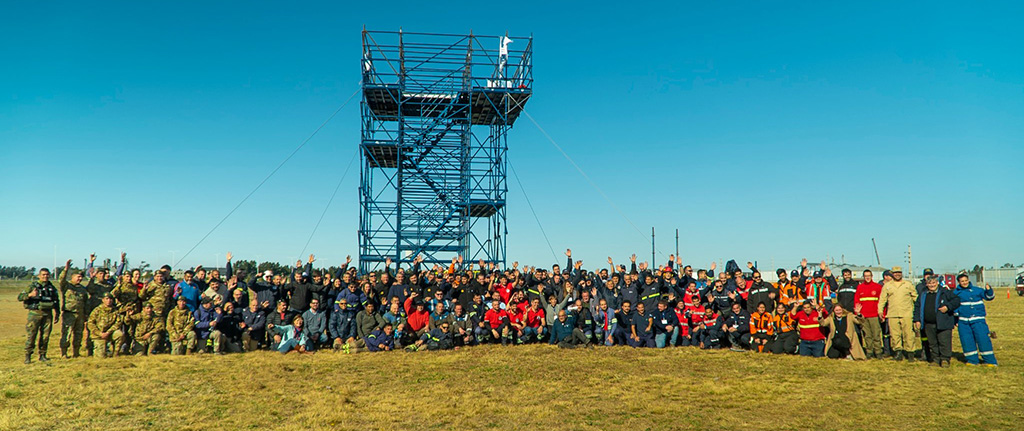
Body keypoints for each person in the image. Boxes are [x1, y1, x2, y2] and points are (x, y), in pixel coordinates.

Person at [913, 275, 960, 367]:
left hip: (943, 322)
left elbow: (957, 300)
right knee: (932, 343)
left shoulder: (945, 292)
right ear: (926, 284)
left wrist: (948, 307)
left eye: (934, 283)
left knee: (944, 342)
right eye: (929, 283)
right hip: (928, 323)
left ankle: (945, 359)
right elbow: (917, 307)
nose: (932, 285)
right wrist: (917, 320)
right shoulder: (923, 294)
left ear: (937, 283)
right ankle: (935, 359)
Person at [952, 274, 997, 366]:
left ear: (968, 280)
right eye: (962, 281)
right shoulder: (956, 293)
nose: (964, 283)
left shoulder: (978, 290)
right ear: (959, 282)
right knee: (967, 341)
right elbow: (954, 307)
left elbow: (989, 297)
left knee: (983, 339)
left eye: (966, 280)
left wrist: (989, 290)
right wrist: (955, 320)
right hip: (963, 322)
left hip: (978, 320)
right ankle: (972, 360)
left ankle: (990, 361)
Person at [18, 267, 60, 363]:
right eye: (43, 275)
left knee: (45, 336)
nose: (45, 276)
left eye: (47, 275)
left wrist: (57, 313)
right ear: (39, 276)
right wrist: (30, 295)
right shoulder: (32, 286)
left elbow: (56, 301)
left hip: (47, 314)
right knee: (32, 335)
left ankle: (42, 355)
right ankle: (28, 356)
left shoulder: (52, 288)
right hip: (35, 314)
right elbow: (20, 297)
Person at [878, 266, 918, 361]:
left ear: (901, 273)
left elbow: (915, 298)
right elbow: (882, 299)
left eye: (899, 272)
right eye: (895, 273)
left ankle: (910, 353)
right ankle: (898, 352)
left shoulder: (908, 284)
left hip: (906, 313)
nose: (897, 274)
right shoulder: (887, 286)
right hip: (892, 314)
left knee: (908, 334)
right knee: (895, 335)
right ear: (892, 274)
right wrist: (880, 311)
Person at [57, 260, 89, 359]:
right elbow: (61, 279)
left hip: (80, 314)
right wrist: (66, 269)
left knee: (78, 334)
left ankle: (76, 352)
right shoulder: (67, 286)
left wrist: (86, 314)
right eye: (78, 277)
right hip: (69, 314)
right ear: (72, 277)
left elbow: (85, 302)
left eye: (81, 277)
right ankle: (64, 353)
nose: (80, 278)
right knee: (67, 334)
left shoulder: (82, 289)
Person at [853, 269, 883, 359]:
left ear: (872, 276)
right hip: (864, 316)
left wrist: (882, 313)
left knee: (876, 335)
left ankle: (878, 351)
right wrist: (857, 313)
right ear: (863, 277)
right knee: (867, 335)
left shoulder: (878, 287)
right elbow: (857, 301)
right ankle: (869, 351)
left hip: (874, 315)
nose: (867, 277)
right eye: (866, 276)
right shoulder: (860, 287)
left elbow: (882, 301)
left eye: (869, 276)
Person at [86, 293, 123, 359]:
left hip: (110, 333)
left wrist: (108, 332)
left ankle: (115, 354)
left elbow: (118, 323)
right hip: (99, 335)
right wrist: (99, 333)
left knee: (119, 334)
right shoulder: (97, 310)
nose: (109, 301)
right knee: (100, 357)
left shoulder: (115, 311)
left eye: (110, 299)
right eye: (107, 299)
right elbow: (90, 323)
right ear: (103, 300)